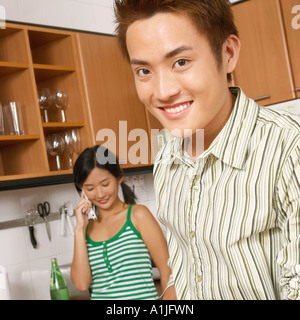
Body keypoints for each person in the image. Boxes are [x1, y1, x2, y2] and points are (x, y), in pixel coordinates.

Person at [113, 0, 300, 300]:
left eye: (181, 62)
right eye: (144, 70)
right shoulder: (166, 159)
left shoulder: (290, 150)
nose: (162, 92)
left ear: (228, 54)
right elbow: (182, 275)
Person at [70, 145, 176, 300]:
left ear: (119, 178)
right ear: (81, 190)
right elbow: (81, 285)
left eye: (105, 184)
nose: (100, 194)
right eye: (90, 188)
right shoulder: (86, 230)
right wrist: (79, 230)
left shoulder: (138, 215)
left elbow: (169, 274)